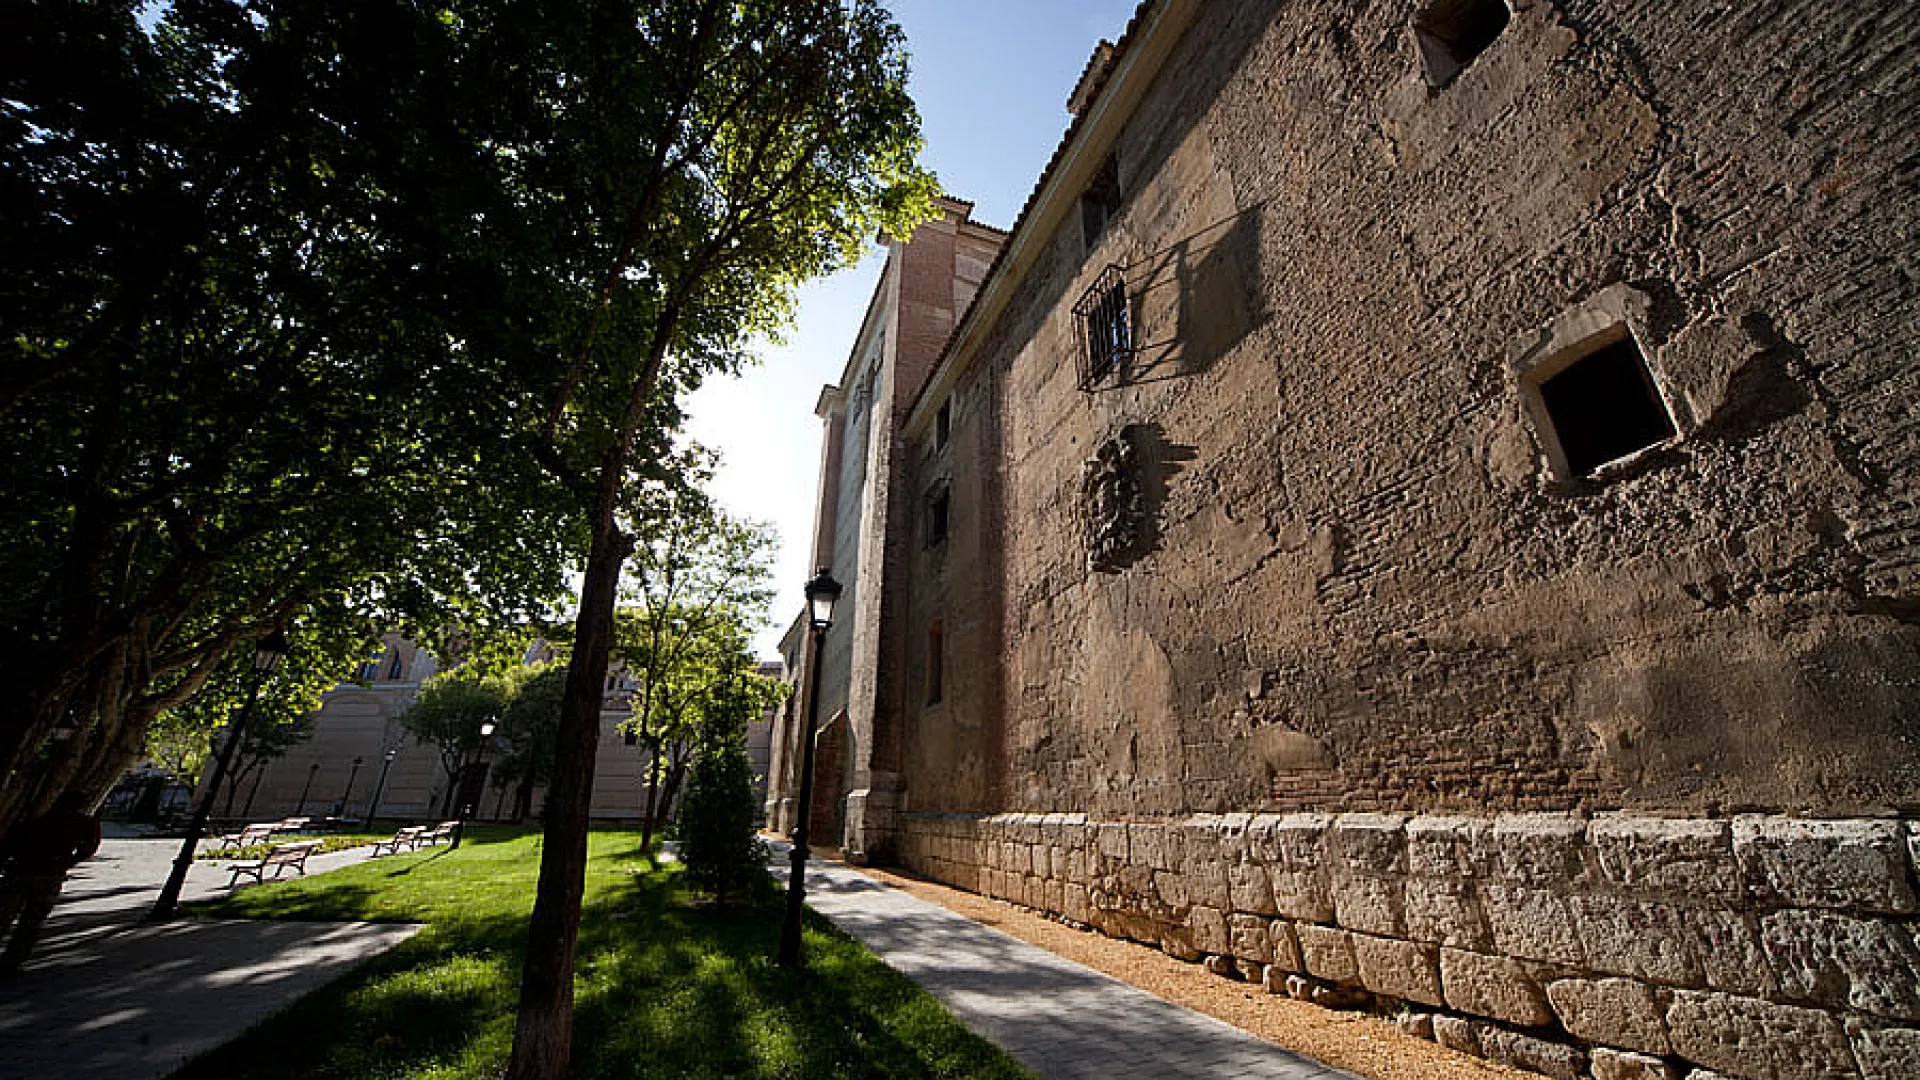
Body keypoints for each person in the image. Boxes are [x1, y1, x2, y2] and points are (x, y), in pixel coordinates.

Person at [0, 792, 102, 972]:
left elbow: (9, 842)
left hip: (20, 871)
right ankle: (13, 961)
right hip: (48, 875)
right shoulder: (83, 823)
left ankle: (13, 960)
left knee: (6, 915)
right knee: (31, 921)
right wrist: (67, 862)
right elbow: (88, 848)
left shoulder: (33, 816)